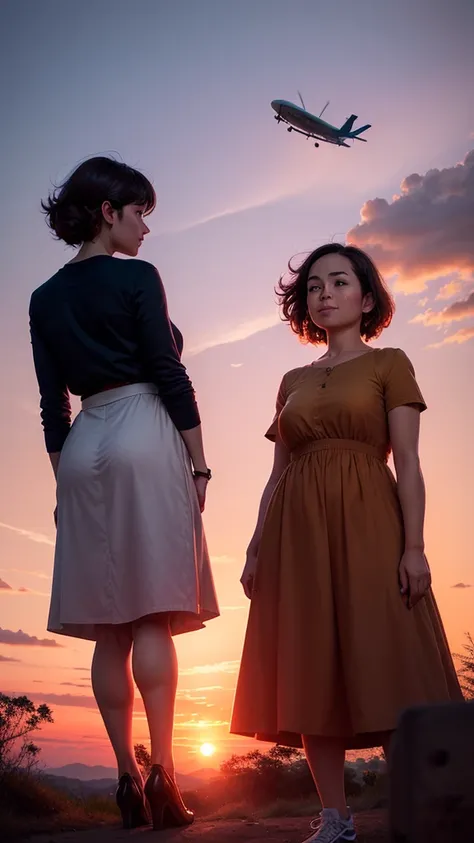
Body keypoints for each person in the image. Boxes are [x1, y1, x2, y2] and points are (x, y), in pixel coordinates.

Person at [230, 243, 463, 843]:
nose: (325, 293)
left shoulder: (390, 363)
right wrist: (256, 546)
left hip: (370, 522)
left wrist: (415, 547)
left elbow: (408, 462)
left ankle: (439, 805)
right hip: (296, 537)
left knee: (388, 653)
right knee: (310, 667)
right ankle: (335, 819)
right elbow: (277, 472)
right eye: (313, 286)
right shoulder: (291, 381)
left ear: (366, 297)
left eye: (339, 282)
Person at [29, 156, 219, 831]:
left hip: (83, 445)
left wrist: (64, 480)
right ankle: (165, 773)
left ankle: (124, 781)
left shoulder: (43, 297)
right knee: (152, 617)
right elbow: (169, 372)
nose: (145, 227)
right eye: (139, 212)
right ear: (108, 211)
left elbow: (53, 405)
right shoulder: (138, 277)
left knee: (107, 628)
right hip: (144, 428)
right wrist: (198, 464)